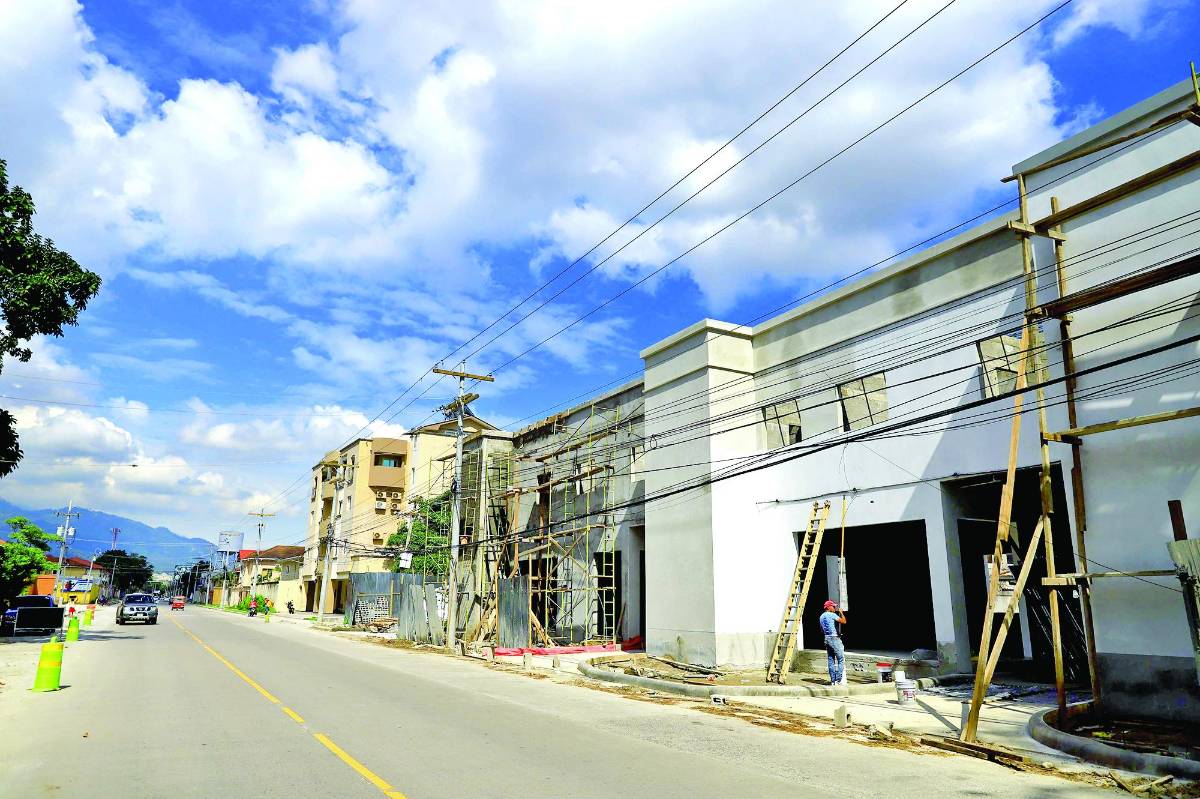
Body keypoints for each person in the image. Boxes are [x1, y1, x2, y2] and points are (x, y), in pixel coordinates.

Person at [820, 599, 847, 686]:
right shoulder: (832, 614)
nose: (835, 607)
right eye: (833, 606)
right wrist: (841, 613)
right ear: (828, 607)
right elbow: (844, 621)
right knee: (840, 659)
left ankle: (832, 681)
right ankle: (838, 680)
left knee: (831, 660)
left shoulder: (821, 616)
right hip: (834, 639)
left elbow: (822, 629)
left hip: (827, 638)